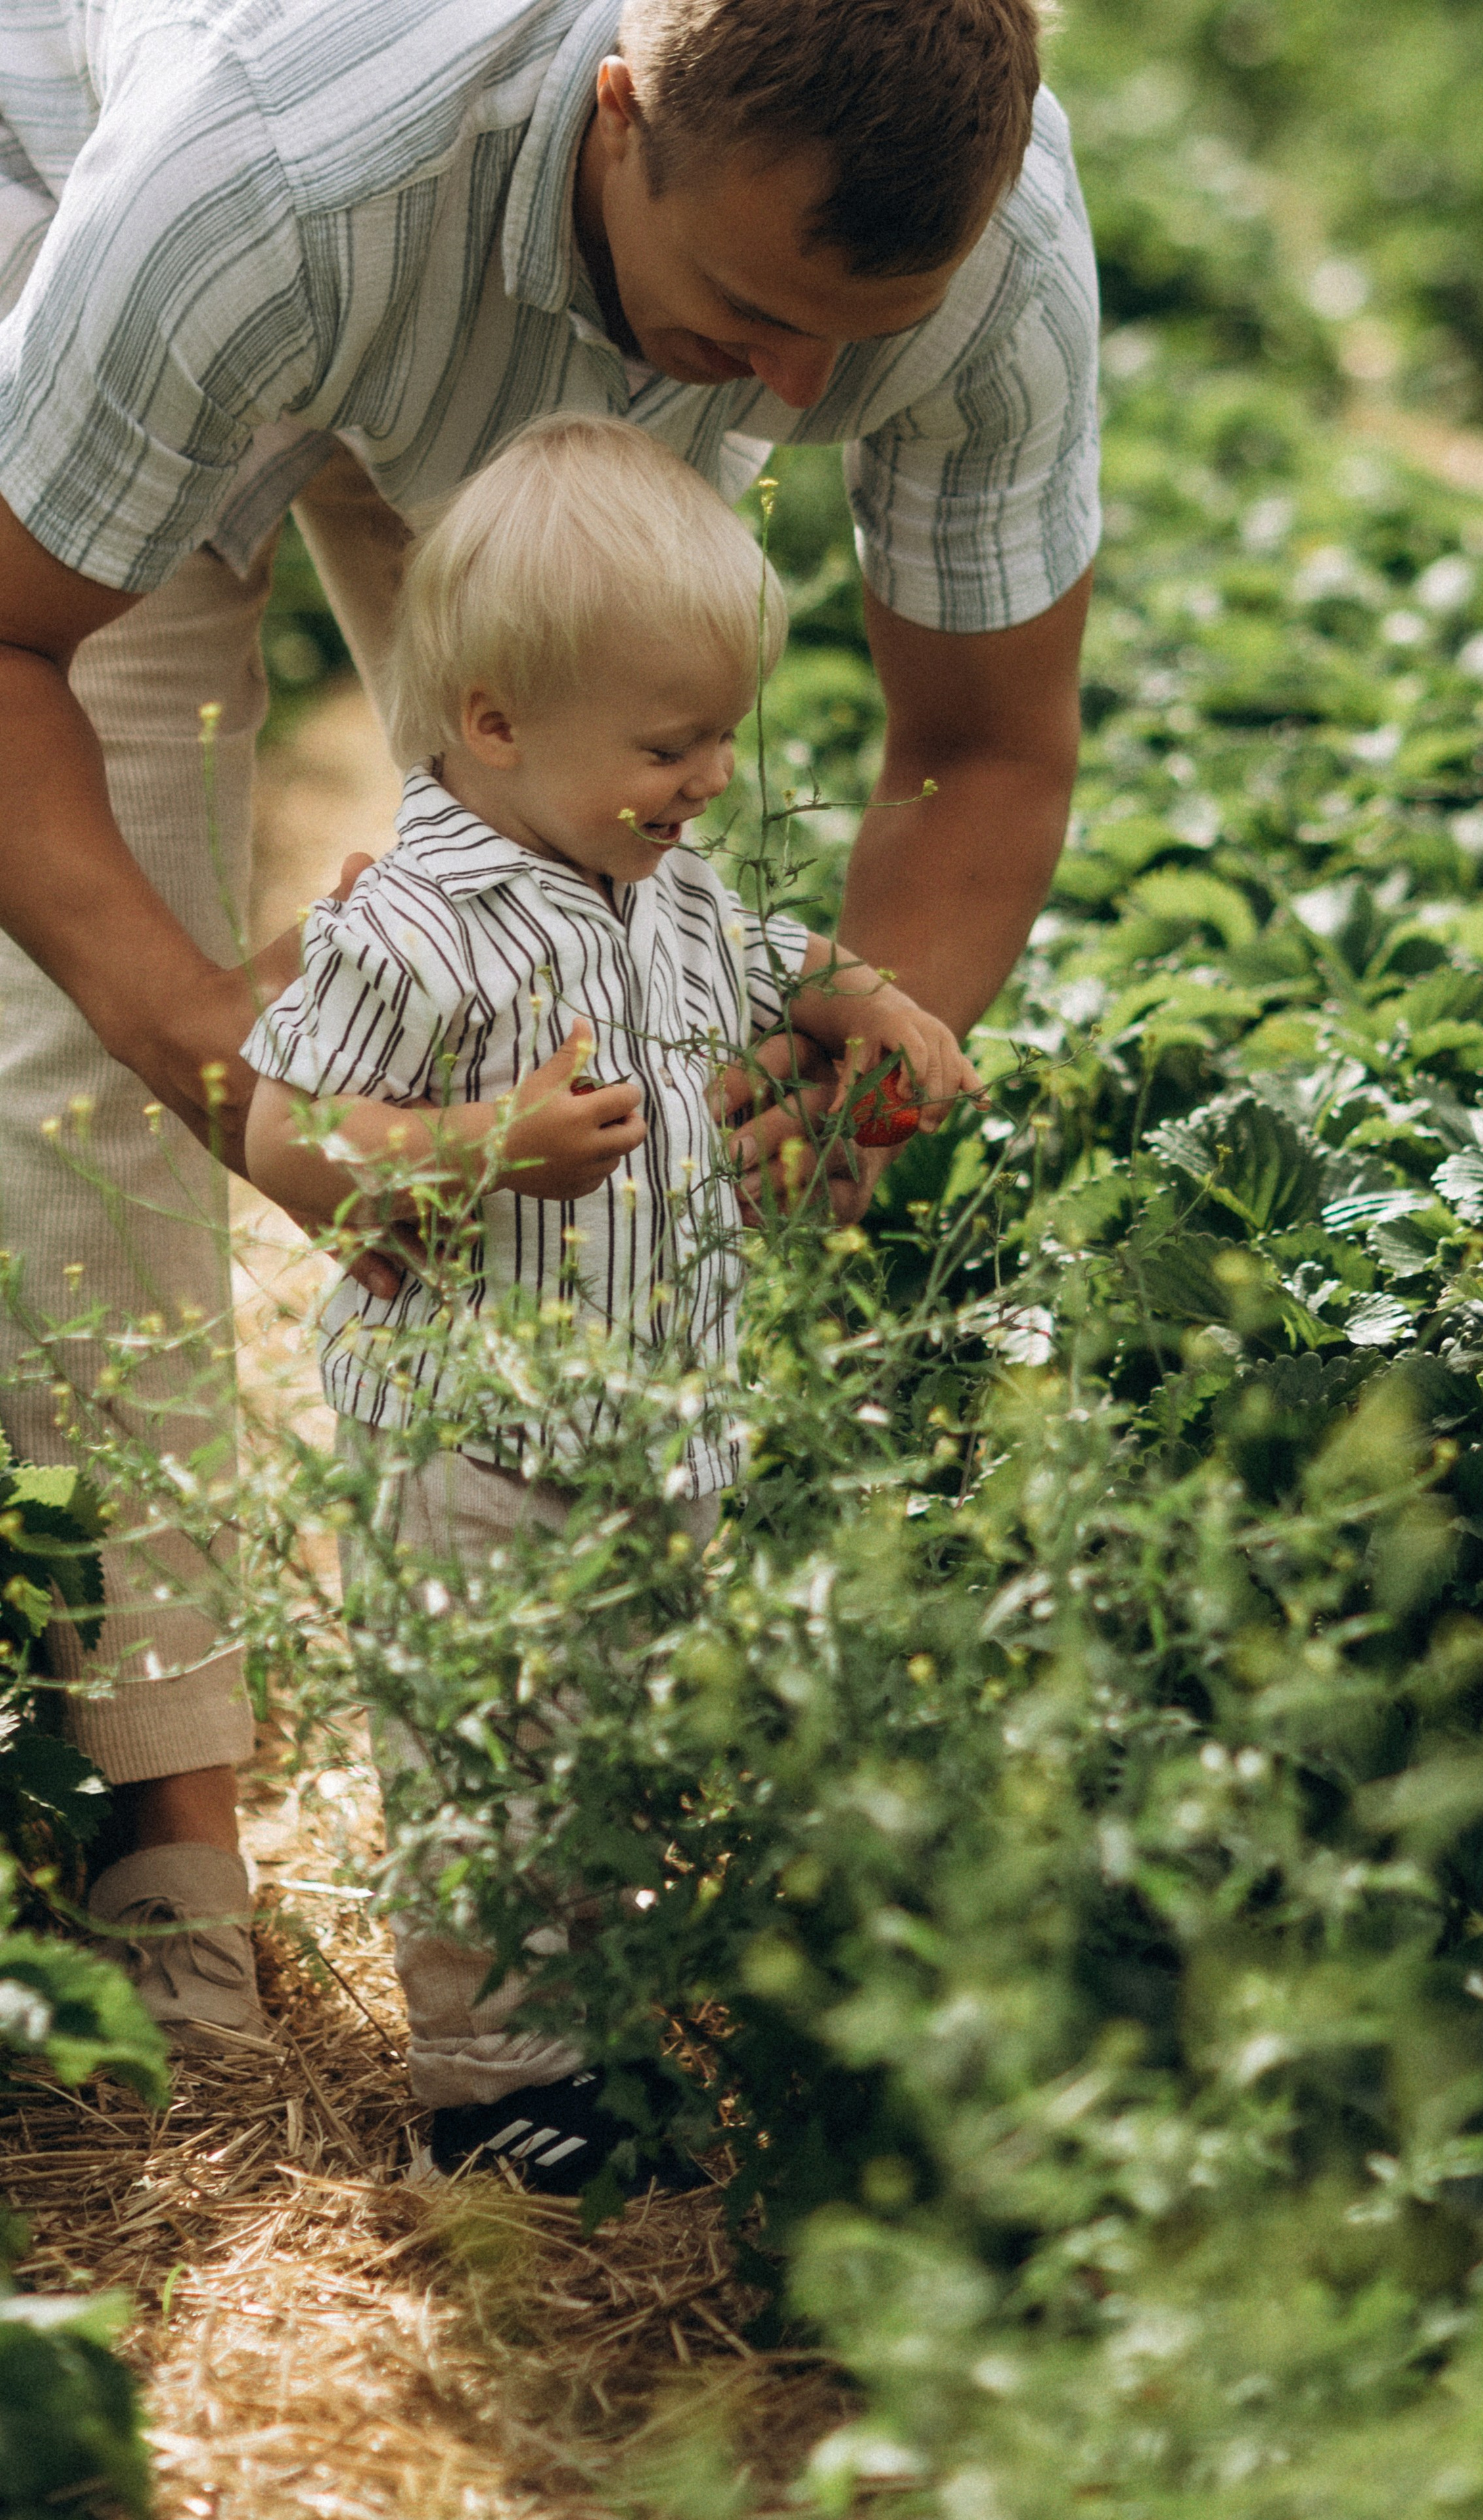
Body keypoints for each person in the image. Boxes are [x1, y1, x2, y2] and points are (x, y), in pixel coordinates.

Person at [0, 0, 1097, 2039]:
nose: (800, 391)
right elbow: (3, 645)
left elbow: (986, 744)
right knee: (87, 1050)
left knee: (602, 874)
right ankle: (162, 1815)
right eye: (755, 310)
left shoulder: (994, 250)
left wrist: (829, 1063)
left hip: (502, 339)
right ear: (620, 121)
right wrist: (235, 1073)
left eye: (856, 334)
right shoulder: (262, 174)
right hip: (160, 256)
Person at [239, 413, 980, 2184]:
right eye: (674, 739)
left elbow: (764, 957)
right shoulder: (413, 922)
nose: (716, 771)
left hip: (657, 1419)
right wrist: (484, 1141)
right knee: (495, 1751)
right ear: (493, 720)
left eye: (726, 731)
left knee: (615, 1739)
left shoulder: (659, 873)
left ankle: (595, 2041)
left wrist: (872, 1004)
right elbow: (286, 1127)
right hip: (483, 1433)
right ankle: (494, 2102)